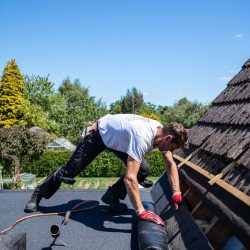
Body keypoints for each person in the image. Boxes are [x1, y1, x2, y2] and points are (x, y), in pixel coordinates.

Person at [24, 114, 188, 225]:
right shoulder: (143, 137)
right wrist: (141, 211)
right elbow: (129, 178)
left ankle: (111, 196)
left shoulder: (161, 133)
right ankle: (38, 194)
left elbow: (170, 163)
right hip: (99, 134)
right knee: (69, 172)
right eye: (173, 147)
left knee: (143, 170)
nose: (171, 151)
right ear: (167, 138)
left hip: (117, 139)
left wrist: (176, 193)